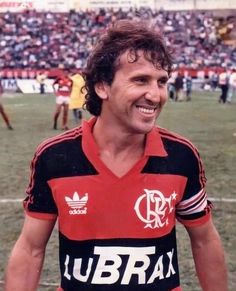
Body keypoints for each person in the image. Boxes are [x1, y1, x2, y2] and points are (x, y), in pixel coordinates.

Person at [4, 20, 228, 291]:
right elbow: (30, 249)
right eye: (140, 80)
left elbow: (204, 240)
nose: (155, 95)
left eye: (161, 82)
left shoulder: (181, 156)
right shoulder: (55, 157)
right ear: (102, 87)